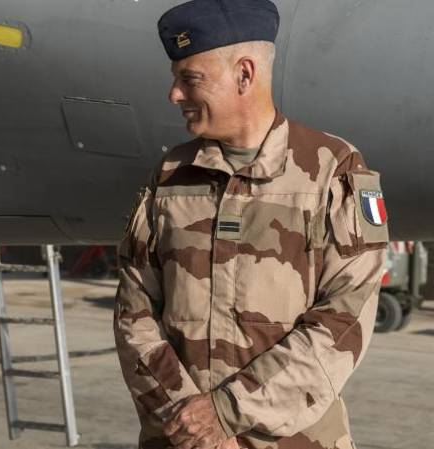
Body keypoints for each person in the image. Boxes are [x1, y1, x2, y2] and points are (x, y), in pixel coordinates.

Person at [113, 1, 388, 448]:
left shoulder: (330, 171)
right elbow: (134, 310)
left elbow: (345, 317)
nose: (174, 95)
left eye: (190, 79)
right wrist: (191, 426)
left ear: (244, 74)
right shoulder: (170, 174)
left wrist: (225, 414)